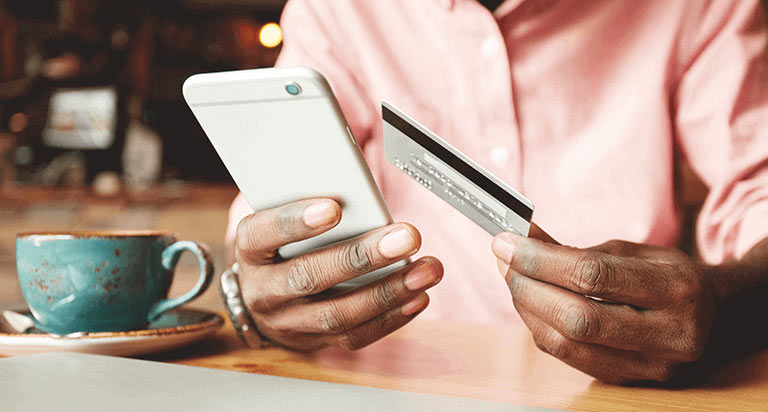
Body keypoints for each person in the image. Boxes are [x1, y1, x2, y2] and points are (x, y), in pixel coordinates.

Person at [224, 0, 768, 384]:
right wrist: (263, 294)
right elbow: (277, 215)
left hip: (623, 398)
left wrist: (733, 302)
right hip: (396, 386)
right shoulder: (337, 10)